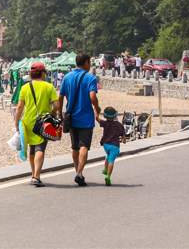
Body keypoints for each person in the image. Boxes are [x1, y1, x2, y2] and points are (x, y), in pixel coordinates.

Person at [13, 61, 60, 187]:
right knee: (40, 148)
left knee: (32, 149)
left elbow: (19, 107)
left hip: (28, 122)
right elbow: (57, 105)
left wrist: (16, 122)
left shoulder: (25, 87)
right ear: (42, 73)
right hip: (43, 122)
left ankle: (33, 174)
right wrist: (53, 112)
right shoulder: (49, 87)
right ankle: (36, 176)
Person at [58, 53, 101, 187]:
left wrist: (60, 113)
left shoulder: (67, 77)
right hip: (86, 118)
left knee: (75, 146)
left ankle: (78, 172)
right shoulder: (91, 78)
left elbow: (60, 97)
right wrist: (97, 107)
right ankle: (79, 173)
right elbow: (92, 96)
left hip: (71, 117)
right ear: (87, 62)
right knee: (84, 146)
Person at [98, 107, 126, 186]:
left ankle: (105, 169)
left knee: (108, 155)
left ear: (104, 116)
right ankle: (108, 176)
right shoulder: (119, 125)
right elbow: (123, 135)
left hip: (105, 144)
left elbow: (98, 119)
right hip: (114, 145)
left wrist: (96, 113)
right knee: (111, 160)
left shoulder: (105, 123)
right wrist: (124, 140)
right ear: (115, 115)